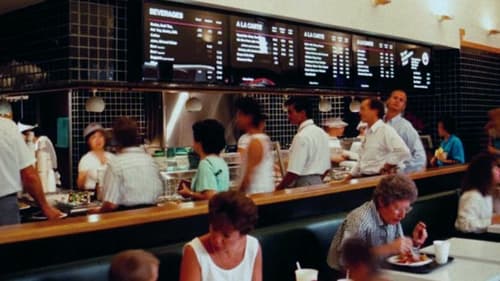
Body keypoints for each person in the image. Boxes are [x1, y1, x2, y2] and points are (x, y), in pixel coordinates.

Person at [327, 174, 427, 270]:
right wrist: (387, 248)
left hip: (378, 271)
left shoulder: (393, 217)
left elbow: (398, 253)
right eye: (397, 208)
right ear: (382, 201)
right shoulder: (360, 219)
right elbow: (346, 260)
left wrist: (414, 243)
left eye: (406, 209)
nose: (402, 215)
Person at [179, 191, 262, 281]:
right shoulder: (194, 251)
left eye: (226, 235)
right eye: (214, 229)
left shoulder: (252, 247)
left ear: (243, 233)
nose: (217, 240)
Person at [0, 117, 63, 225]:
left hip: (6, 205)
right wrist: (45, 207)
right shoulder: (7, 127)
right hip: (4, 207)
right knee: (9, 240)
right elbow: (29, 175)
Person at [95, 117, 163, 212]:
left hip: (126, 220)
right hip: (154, 218)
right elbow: (160, 192)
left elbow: (110, 204)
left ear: (117, 140)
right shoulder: (150, 161)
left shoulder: (115, 164)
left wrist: (96, 212)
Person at [276, 96, 330, 189]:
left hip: (304, 184)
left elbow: (293, 172)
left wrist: (279, 188)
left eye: (290, 112)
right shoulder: (322, 133)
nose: (288, 116)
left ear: (302, 113)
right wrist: (316, 180)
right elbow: (327, 167)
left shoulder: (301, 136)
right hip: (319, 183)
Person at [349, 98, 410, 178]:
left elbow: (403, 151)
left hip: (379, 178)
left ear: (375, 111)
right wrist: (349, 176)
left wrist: (387, 165)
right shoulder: (368, 132)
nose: (360, 113)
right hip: (365, 177)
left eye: (363, 109)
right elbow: (362, 159)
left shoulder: (385, 130)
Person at [178, 119, 230, 200]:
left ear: (199, 143)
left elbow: (210, 196)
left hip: (209, 210)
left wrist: (189, 193)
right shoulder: (221, 161)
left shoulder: (205, 164)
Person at [235, 97, 274, 194]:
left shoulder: (255, 142)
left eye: (240, 114)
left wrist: (237, 195)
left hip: (257, 195)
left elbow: (248, 176)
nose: (237, 119)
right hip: (263, 193)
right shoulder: (263, 138)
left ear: (249, 117)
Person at [455, 153, 500, 233]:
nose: (499, 170)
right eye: (495, 167)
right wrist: (492, 220)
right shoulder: (472, 196)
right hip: (476, 241)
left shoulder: (490, 192)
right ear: (485, 172)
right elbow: (464, 225)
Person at [384, 90, 427, 173]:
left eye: (401, 100)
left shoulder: (405, 127)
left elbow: (420, 157)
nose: (397, 101)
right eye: (395, 98)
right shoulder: (379, 122)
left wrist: (400, 171)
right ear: (388, 101)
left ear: (403, 106)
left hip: (394, 177)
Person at [18, 122, 59, 193]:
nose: (26, 138)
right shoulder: (34, 143)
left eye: (26, 134)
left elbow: (35, 162)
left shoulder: (42, 141)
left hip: (46, 178)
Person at [77, 123, 114, 190]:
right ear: (88, 141)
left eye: (100, 136)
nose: (98, 140)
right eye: (93, 137)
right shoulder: (86, 159)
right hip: (92, 195)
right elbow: (80, 185)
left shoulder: (112, 157)